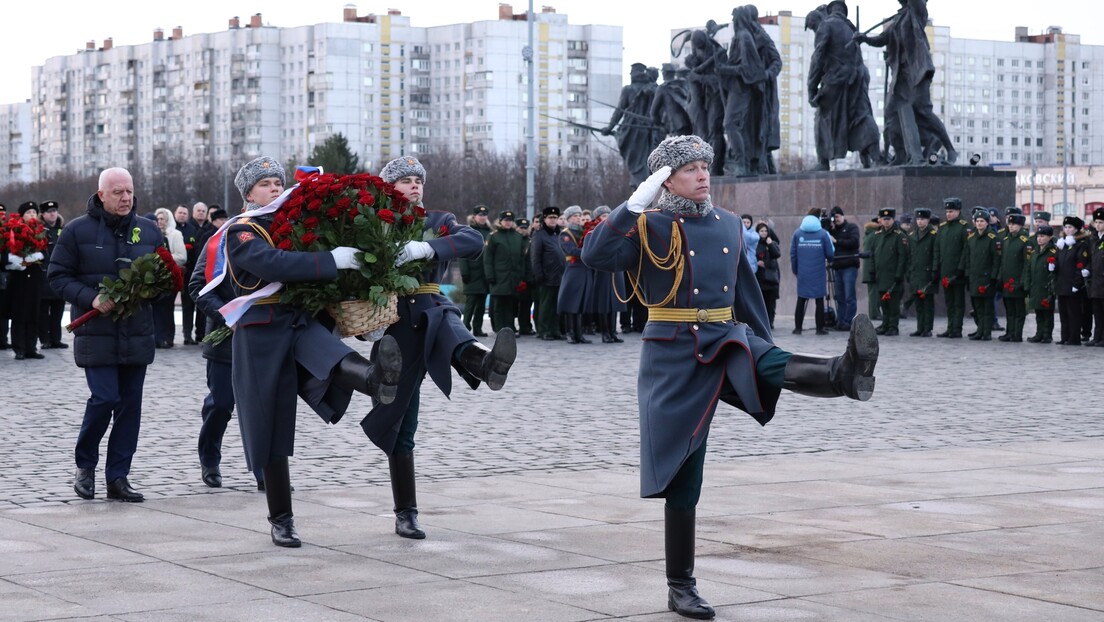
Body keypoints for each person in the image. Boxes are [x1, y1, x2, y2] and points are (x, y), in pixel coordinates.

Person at [582, 134, 878, 621]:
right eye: (690, 168)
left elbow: (745, 291)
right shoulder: (649, 224)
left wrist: (766, 340)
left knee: (765, 359)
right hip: (672, 352)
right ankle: (681, 586)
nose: (703, 175)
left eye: (706, 166)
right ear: (665, 179)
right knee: (685, 472)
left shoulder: (724, 224)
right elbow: (595, 256)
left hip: (724, 333)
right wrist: (634, 203)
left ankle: (843, 373)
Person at [213, 157, 403, 547]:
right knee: (271, 426)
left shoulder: (291, 222)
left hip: (294, 319)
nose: (274, 188)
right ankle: (281, 518)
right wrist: (328, 261)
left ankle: (375, 378)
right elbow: (268, 262)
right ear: (247, 193)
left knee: (327, 352)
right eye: (265, 183)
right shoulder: (243, 230)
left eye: (277, 182)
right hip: (260, 329)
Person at [361, 156, 517, 541]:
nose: (414, 186)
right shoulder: (372, 226)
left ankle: (484, 363)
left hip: (429, 309)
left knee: (446, 318)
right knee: (401, 425)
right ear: (388, 188)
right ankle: (406, 513)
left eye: (418, 180)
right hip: (394, 325)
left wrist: (426, 249)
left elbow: (472, 240)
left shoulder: (437, 220)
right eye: (405, 181)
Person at [48, 168, 163, 502]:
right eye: (117, 192)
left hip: (137, 332)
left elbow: (162, 278)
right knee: (105, 398)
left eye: (129, 191)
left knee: (130, 406)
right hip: (96, 332)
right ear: (101, 195)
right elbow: (57, 276)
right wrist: (91, 298)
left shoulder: (149, 230)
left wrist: (153, 289)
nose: (125, 197)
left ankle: (118, 477)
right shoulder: (76, 231)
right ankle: (85, 466)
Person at [187, 208, 264, 489]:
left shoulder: (280, 236)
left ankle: (266, 469)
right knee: (221, 404)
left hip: (264, 338)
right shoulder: (221, 238)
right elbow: (197, 287)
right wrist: (227, 315)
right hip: (226, 338)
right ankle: (209, 458)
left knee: (262, 408)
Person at [805, 1, 881, 169]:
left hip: (837, 80)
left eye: (812, 27)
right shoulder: (850, 28)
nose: (814, 30)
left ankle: (822, 162)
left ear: (828, 11)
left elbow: (818, 57)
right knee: (860, 116)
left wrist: (811, 88)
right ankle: (873, 156)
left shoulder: (827, 25)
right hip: (858, 78)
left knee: (821, 118)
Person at [602, 63, 663, 187]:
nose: (630, 75)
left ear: (636, 74)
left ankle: (641, 190)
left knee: (636, 164)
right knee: (646, 162)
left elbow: (619, 110)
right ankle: (645, 189)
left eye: (631, 72)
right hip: (650, 131)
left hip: (632, 132)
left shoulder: (629, 89)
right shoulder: (654, 89)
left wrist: (609, 127)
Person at [7, 202, 48, 360]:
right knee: (19, 313)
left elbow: (46, 252)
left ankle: (31, 347)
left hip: (34, 278)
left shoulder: (40, 231)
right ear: (22, 215)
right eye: (28, 212)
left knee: (33, 312)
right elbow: (6, 250)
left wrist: (38, 256)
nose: (32, 214)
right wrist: (13, 260)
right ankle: (19, 348)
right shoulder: (14, 230)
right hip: (19, 277)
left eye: (33, 212)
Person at [586, 205, 627, 343]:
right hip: (603, 270)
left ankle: (612, 331)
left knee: (615, 303)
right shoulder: (595, 231)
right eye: (604, 216)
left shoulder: (617, 230)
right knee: (604, 303)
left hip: (616, 269)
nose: (607, 218)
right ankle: (604, 332)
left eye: (608, 215)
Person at [790, 209, 835, 335]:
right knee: (819, 299)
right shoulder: (823, 234)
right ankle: (819, 328)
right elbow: (830, 253)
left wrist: (795, 270)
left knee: (801, 299)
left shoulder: (797, 234)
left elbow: (793, 254)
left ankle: (798, 328)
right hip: (819, 272)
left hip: (803, 273)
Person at [961, 207, 1001, 341]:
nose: (979, 223)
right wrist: (967, 273)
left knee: (987, 307)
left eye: (982, 221)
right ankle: (980, 330)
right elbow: (967, 257)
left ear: (987, 223)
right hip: (974, 277)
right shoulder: (971, 237)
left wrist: (994, 277)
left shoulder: (993, 238)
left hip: (987, 278)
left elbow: (996, 259)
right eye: (977, 221)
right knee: (977, 306)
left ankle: (986, 332)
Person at [484, 210, 525, 335]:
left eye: (510, 220)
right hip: (498, 277)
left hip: (513, 277)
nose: (508, 223)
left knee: (511, 305)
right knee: (498, 305)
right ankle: (499, 328)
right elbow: (488, 258)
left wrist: (521, 276)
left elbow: (522, 259)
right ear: (500, 221)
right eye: (505, 220)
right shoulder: (494, 236)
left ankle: (510, 328)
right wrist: (490, 275)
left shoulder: (517, 237)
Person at [870, 208, 910, 336]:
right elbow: (873, 255)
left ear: (893, 220)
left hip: (893, 275)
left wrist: (899, 274)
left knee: (893, 303)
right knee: (883, 302)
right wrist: (872, 271)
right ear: (880, 220)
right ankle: (885, 323)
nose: (886, 222)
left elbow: (902, 256)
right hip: (880, 274)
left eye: (889, 219)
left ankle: (893, 326)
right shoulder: (877, 236)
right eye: (884, 219)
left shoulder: (899, 236)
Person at [558, 205, 594, 344]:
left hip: (584, 269)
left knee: (580, 303)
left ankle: (579, 333)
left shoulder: (584, 232)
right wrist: (588, 252)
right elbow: (570, 250)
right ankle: (570, 332)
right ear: (568, 218)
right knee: (570, 303)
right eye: (575, 216)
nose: (578, 218)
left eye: (579, 215)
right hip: (573, 270)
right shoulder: (566, 234)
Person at [151, 207, 186, 348]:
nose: (160, 222)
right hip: (155, 278)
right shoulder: (154, 234)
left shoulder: (175, 234)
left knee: (167, 309)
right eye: (157, 219)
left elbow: (182, 256)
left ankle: (168, 337)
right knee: (157, 310)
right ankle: (158, 337)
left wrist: (163, 258)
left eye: (162, 219)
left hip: (169, 276)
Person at [935, 197, 969, 338]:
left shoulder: (963, 227)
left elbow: (965, 250)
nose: (948, 214)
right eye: (947, 211)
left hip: (957, 272)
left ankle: (957, 329)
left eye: (952, 211)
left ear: (958, 211)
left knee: (958, 303)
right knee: (949, 302)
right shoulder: (942, 228)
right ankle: (950, 327)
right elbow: (938, 249)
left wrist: (961, 269)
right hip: (945, 271)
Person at [530, 206, 565, 340]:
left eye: (555, 218)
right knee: (545, 305)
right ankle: (543, 330)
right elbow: (535, 257)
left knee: (557, 305)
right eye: (550, 218)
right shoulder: (539, 235)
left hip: (560, 276)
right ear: (544, 219)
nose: (553, 220)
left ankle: (555, 330)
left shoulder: (560, 233)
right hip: (546, 275)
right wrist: (538, 273)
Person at [36, 201, 68, 349]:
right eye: (49, 211)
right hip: (43, 276)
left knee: (58, 310)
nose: (53, 213)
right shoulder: (39, 231)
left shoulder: (62, 230)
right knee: (43, 311)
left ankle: (56, 338)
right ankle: (45, 339)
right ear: (42, 214)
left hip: (59, 276)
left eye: (54, 210)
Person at [1054, 216, 1090, 346]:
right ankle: (1065, 336)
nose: (1067, 230)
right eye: (1066, 227)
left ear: (1076, 229)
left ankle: (1074, 338)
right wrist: (1053, 266)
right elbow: (1059, 261)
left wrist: (1077, 284)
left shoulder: (1081, 244)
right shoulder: (1063, 244)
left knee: (1073, 313)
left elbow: (1080, 265)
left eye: (1070, 227)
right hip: (1062, 283)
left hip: (1073, 285)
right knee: (1063, 313)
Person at [997, 214, 1031, 342]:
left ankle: (1017, 333)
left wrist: (1023, 281)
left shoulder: (1025, 241)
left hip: (1017, 281)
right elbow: (1002, 261)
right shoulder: (1006, 240)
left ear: (1020, 225)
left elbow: (1026, 263)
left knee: (1018, 310)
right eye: (1009, 224)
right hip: (1007, 281)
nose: (1010, 226)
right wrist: (1000, 277)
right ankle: (1009, 332)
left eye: (1014, 224)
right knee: (1009, 309)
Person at [181, 201, 211, 345]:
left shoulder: (207, 229)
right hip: (188, 272)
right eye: (198, 210)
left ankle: (200, 333)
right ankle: (187, 334)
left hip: (203, 274)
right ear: (193, 212)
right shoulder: (187, 228)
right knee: (187, 306)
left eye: (203, 211)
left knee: (202, 306)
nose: (200, 213)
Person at [459, 205, 492, 336]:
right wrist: (465, 271)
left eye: (484, 215)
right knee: (470, 303)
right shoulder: (468, 231)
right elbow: (462, 253)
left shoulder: (490, 232)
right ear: (474, 216)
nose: (482, 217)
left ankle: (478, 328)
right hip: (472, 273)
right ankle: (465, 327)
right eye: (480, 215)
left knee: (481, 303)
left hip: (485, 272)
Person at [827, 205, 860, 330]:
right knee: (839, 296)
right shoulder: (832, 230)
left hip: (849, 266)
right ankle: (841, 321)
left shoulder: (851, 227)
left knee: (849, 296)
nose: (836, 219)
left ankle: (848, 321)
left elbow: (854, 242)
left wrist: (837, 241)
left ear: (843, 216)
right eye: (833, 218)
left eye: (837, 217)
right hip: (837, 267)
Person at [906, 208, 938, 337]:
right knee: (918, 303)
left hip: (927, 272)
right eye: (918, 219)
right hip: (915, 272)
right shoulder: (912, 235)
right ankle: (920, 327)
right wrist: (908, 271)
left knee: (927, 303)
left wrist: (934, 270)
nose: (920, 222)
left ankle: (927, 328)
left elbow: (936, 254)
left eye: (922, 219)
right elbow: (909, 255)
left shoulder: (933, 235)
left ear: (928, 220)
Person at [1024, 224, 1057, 343]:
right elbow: (1028, 270)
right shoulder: (1034, 252)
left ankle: (1047, 335)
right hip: (1036, 286)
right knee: (1038, 312)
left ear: (1049, 237)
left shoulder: (1053, 252)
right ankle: (1039, 333)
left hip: (1047, 287)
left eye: (1043, 236)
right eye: (1038, 236)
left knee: (1047, 313)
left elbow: (1056, 271)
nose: (1039, 239)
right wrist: (1027, 285)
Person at [754, 222, 781, 328]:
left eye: (765, 231)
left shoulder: (772, 242)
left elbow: (776, 254)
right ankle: (763, 322)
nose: (764, 233)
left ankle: (771, 322)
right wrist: (756, 262)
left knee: (771, 302)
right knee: (762, 301)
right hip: (760, 277)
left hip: (772, 277)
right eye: (761, 231)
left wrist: (770, 244)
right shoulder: (755, 243)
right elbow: (752, 255)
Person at [514, 217, 536, 336]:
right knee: (514, 305)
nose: (523, 230)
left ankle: (525, 326)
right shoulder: (515, 240)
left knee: (526, 304)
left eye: (525, 228)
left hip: (528, 277)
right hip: (515, 276)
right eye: (520, 227)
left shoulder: (529, 241)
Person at [1087, 208, 1104, 346]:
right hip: (1095, 282)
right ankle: (1097, 337)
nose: (1098, 225)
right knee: (1097, 312)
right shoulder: (1093, 239)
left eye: (1101, 222)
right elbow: (1091, 259)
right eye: (1096, 222)